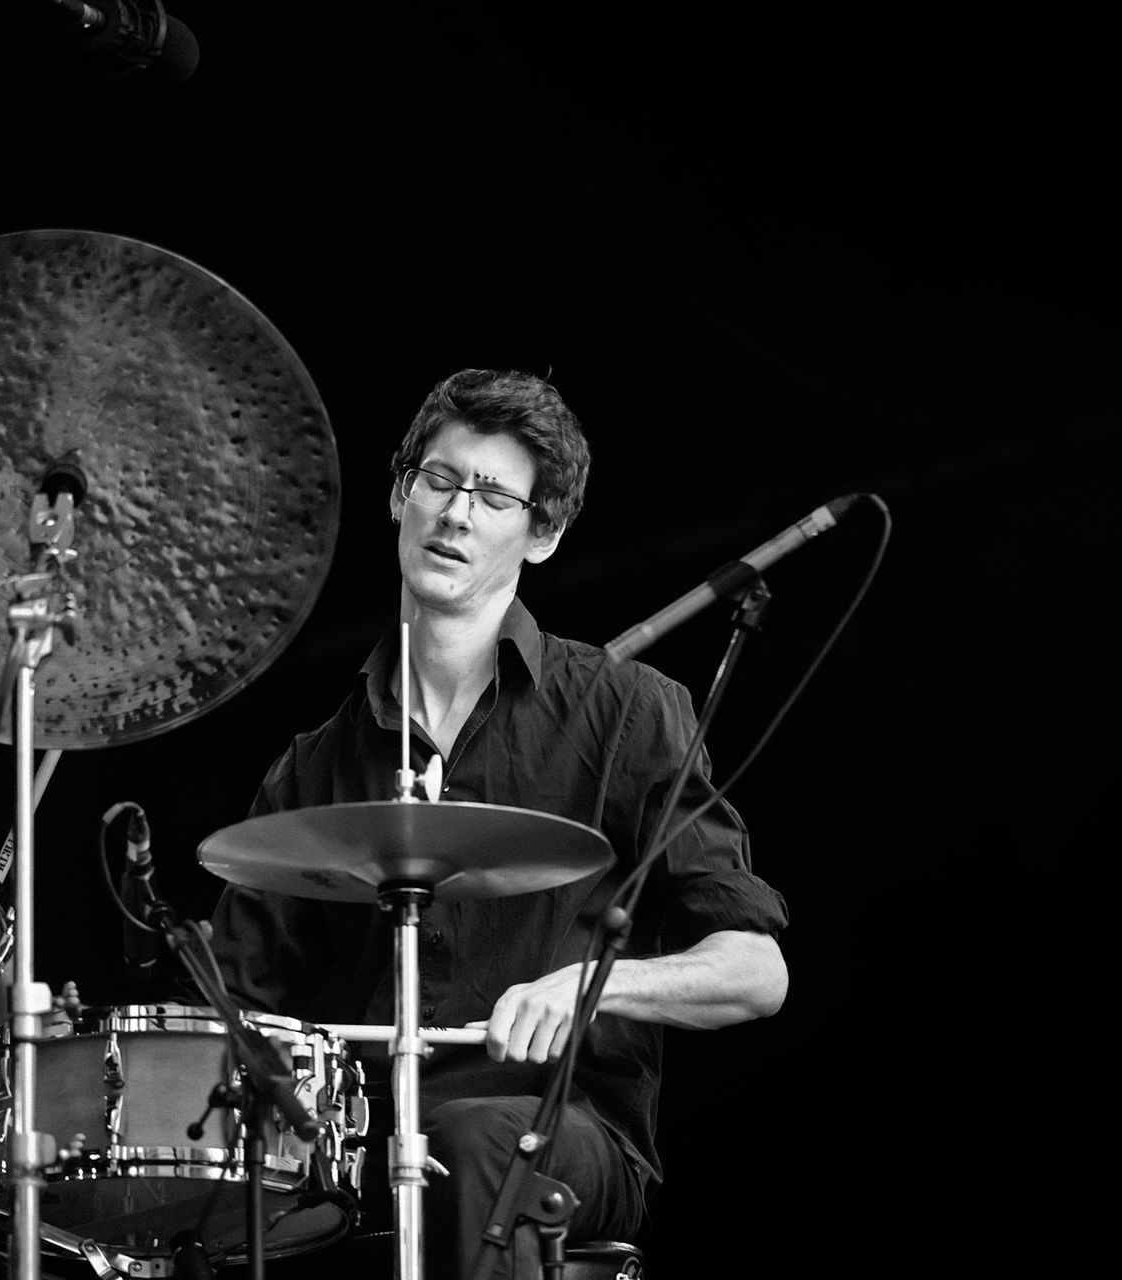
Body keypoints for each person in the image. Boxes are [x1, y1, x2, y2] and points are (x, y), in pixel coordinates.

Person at [204, 368, 790, 1278]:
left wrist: (589, 987)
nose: (456, 514)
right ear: (398, 495)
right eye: (438, 480)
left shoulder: (625, 712)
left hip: (560, 1129)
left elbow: (756, 972)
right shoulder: (314, 767)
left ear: (542, 534)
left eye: (492, 496)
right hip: (361, 1144)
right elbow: (230, 1008)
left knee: (472, 1138)